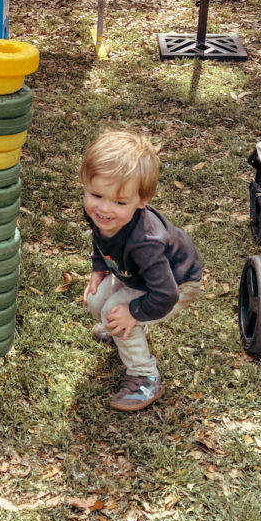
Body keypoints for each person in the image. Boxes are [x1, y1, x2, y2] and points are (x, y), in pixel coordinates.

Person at [80, 129, 203, 411]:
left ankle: (145, 377)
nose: (104, 209)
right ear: (86, 185)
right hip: (136, 274)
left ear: (142, 201)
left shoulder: (146, 243)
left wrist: (133, 313)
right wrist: (99, 268)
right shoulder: (98, 213)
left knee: (114, 312)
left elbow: (166, 294)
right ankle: (134, 331)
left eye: (120, 202)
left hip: (174, 284)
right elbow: (99, 237)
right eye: (96, 194)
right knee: (97, 301)